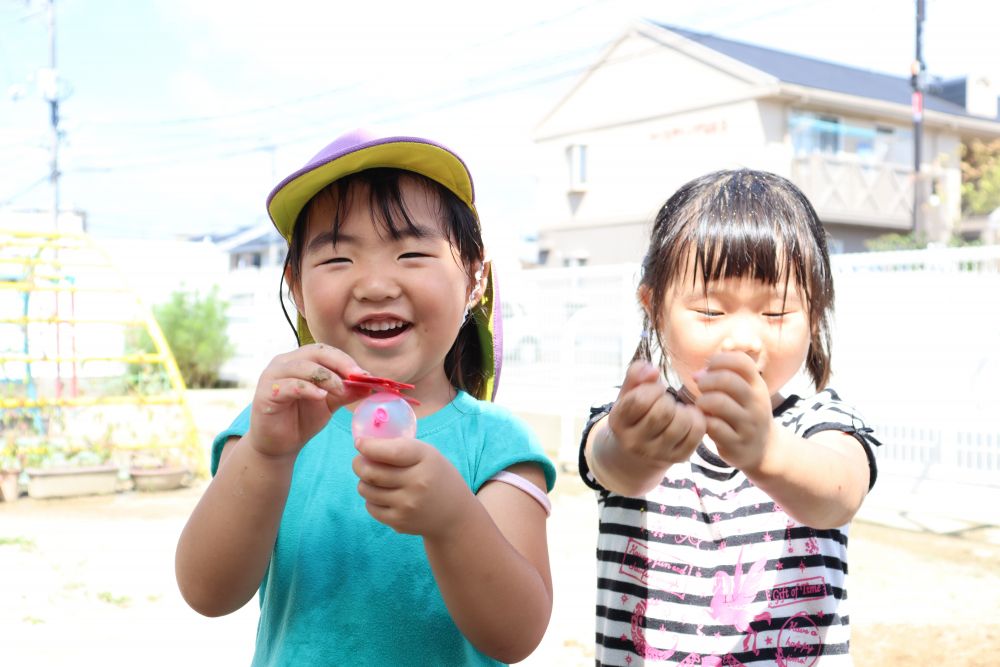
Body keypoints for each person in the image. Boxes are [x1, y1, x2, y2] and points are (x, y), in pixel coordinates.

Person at [175, 128, 556, 665]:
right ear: (296, 288)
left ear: (474, 279)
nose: (375, 284)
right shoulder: (271, 428)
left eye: (413, 252)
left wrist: (452, 520)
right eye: (337, 259)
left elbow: (516, 636)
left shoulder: (496, 443)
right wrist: (266, 455)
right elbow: (207, 592)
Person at [580, 169, 881, 665]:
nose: (743, 339)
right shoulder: (631, 418)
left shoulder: (823, 424)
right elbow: (612, 466)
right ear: (653, 307)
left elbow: (838, 495)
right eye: (711, 311)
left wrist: (766, 450)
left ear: (815, 311)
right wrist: (637, 448)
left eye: (777, 312)